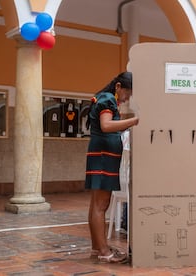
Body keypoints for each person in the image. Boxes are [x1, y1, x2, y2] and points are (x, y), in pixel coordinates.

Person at [85, 72, 139, 263]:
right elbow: (106, 126)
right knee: (101, 205)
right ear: (118, 87)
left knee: (96, 205)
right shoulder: (107, 99)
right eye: (128, 92)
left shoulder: (105, 99)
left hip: (101, 156)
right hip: (103, 158)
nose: (127, 98)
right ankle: (103, 251)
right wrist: (134, 121)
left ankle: (96, 248)